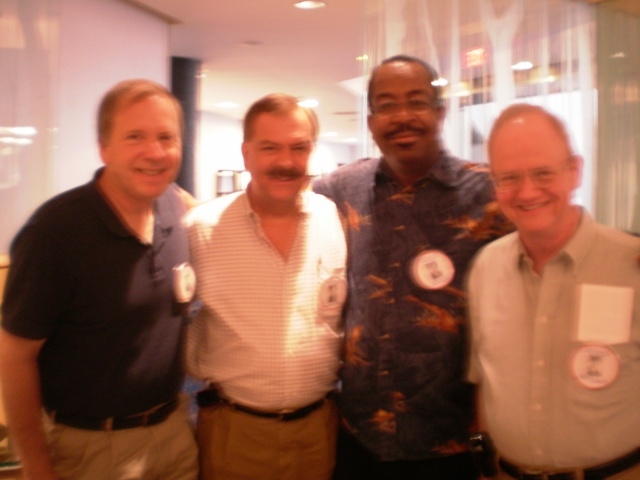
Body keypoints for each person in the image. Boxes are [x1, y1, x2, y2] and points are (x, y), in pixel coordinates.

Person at [312, 55, 512, 479]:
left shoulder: (489, 194)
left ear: (440, 113)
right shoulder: (341, 189)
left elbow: (548, 240)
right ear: (371, 121)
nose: (403, 117)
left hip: (453, 443)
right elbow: (281, 197)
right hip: (359, 440)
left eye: (416, 102)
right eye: (387, 105)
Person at [0, 79, 199, 480]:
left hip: (175, 434)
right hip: (91, 450)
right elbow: (15, 356)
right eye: (135, 137)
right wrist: (36, 465)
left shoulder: (177, 212)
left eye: (167, 137)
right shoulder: (55, 232)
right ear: (104, 148)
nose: (155, 152)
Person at [467, 104, 640, 479]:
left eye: (543, 173)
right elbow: (485, 378)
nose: (527, 192)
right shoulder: (485, 268)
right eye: (508, 177)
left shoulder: (631, 265)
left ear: (575, 171)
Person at [184, 93, 347, 480]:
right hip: (234, 432)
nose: (286, 162)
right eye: (270, 148)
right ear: (246, 154)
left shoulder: (332, 219)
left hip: (319, 431)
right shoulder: (202, 229)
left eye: (298, 147)